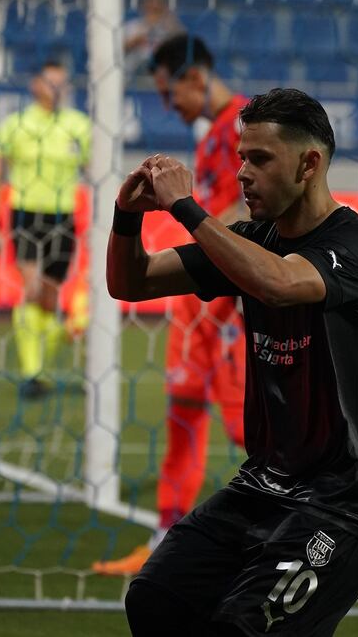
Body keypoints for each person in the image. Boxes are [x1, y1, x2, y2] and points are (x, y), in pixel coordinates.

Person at [107, 88, 358, 636]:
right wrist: (127, 216)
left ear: (309, 164)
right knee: (154, 600)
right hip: (264, 485)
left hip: (342, 499)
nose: (243, 173)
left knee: (244, 628)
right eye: (242, 158)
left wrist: (184, 207)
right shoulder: (249, 239)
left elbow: (281, 282)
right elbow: (130, 282)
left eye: (261, 159)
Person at [92, 34, 247, 576]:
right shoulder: (210, 140)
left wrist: (191, 246)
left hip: (235, 303)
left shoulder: (249, 126)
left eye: (169, 93)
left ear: (194, 78)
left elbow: (249, 210)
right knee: (182, 407)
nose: (168, 106)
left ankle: (301, 519)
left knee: (248, 427)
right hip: (201, 298)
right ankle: (166, 538)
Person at [0, 60, 91, 399]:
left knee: (49, 298)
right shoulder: (15, 125)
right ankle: (32, 372)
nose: (57, 89)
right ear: (35, 84)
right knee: (32, 289)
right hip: (26, 214)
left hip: (62, 218)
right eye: (51, 82)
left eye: (62, 83)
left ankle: (43, 369)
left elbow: (94, 171)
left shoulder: (79, 126)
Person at [123, 0, 184, 78]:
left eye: (157, 8)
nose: (153, 10)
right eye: (150, 7)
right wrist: (135, 41)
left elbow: (185, 46)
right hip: (135, 71)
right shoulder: (133, 26)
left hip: (162, 71)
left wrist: (173, 27)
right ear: (143, 7)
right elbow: (118, 50)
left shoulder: (172, 27)